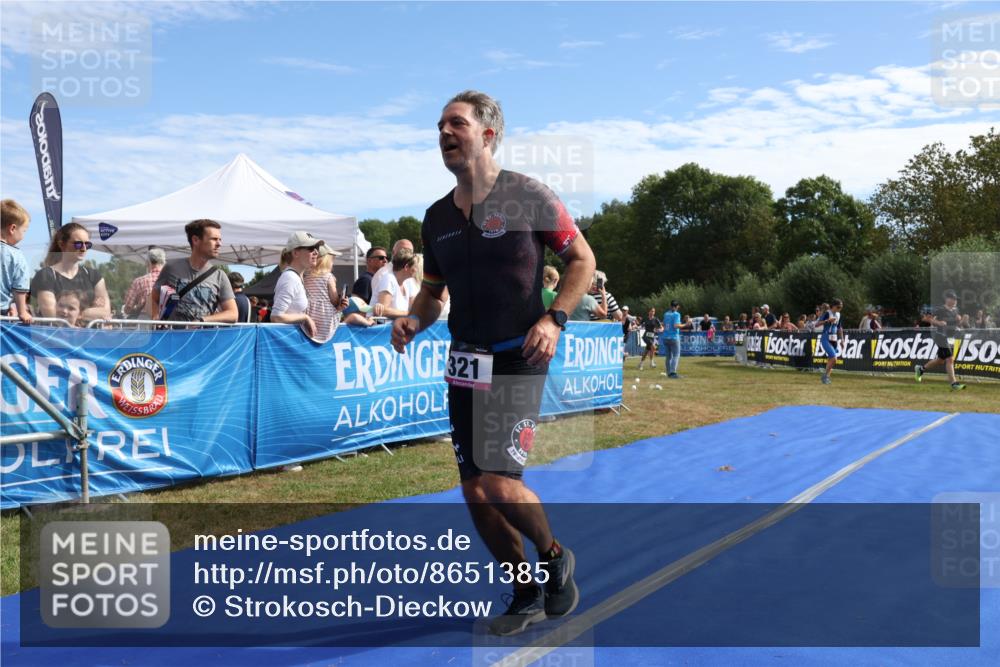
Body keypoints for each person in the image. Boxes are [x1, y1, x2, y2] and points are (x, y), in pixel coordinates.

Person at [390, 90, 591, 636]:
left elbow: (582, 260)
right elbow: (433, 292)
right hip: (464, 362)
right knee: (475, 490)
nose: (444, 133)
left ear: (488, 134)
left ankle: (553, 558)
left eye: (456, 123)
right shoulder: (436, 217)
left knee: (500, 482)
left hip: (518, 356)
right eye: (439, 126)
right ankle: (524, 591)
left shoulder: (528, 195)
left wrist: (554, 320)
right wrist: (414, 318)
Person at [151, 219, 237, 323]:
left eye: (220, 239)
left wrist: (203, 320)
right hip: (173, 337)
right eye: (214, 239)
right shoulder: (171, 268)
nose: (219, 244)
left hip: (203, 337)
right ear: (195, 240)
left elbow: (233, 314)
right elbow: (154, 297)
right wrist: (155, 316)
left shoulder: (220, 276)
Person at [31, 222, 111, 325]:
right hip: (57, 339)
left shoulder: (94, 276)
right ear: (62, 244)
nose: (83, 248)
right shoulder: (46, 275)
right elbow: (53, 316)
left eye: (87, 244)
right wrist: (90, 311)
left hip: (88, 338)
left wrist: (76, 314)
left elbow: (105, 312)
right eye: (78, 244)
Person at [271, 231, 325, 339]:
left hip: (293, 341)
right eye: (310, 248)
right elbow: (276, 316)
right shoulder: (290, 278)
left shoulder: (296, 277)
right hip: (287, 343)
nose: (316, 252)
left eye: (316, 248)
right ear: (295, 253)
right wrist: (305, 318)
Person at [915, 289, 966, 391]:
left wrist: (961, 321)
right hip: (940, 336)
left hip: (950, 338)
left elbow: (956, 325)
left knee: (940, 360)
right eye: (953, 299)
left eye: (956, 299)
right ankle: (954, 384)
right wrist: (938, 323)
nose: (955, 301)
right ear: (947, 299)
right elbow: (925, 319)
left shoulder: (956, 310)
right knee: (950, 359)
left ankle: (920, 369)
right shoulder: (940, 309)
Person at [304, 246, 350, 342]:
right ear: (327, 261)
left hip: (309, 317)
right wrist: (340, 301)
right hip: (325, 318)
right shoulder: (328, 277)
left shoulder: (305, 276)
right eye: (332, 260)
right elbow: (334, 301)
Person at [1, 199, 33, 324]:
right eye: (24, 230)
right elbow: (20, 287)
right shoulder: (16, 255)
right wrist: (22, 311)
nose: (24, 235)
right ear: (12, 228)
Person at [371, 248, 418, 319]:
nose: (417, 269)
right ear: (406, 267)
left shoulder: (408, 282)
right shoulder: (388, 279)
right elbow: (383, 311)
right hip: (377, 327)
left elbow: (415, 308)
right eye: (415, 266)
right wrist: (409, 313)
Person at [122, 248, 166, 319]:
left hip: (146, 322)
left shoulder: (139, 281)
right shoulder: (172, 280)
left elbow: (127, 308)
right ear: (164, 262)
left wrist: (137, 307)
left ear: (148, 262)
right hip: (168, 323)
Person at [813, 298, 845, 385]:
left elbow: (839, 328)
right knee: (834, 358)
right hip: (826, 337)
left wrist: (842, 339)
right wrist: (827, 320)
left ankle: (826, 378)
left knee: (831, 359)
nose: (839, 309)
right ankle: (825, 376)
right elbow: (817, 324)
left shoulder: (838, 315)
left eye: (841, 307)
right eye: (838, 307)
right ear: (833, 306)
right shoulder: (827, 313)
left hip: (834, 339)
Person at [661, 300, 682, 377]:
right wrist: (686, 324)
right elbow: (676, 325)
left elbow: (663, 324)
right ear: (676, 307)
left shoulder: (666, 314)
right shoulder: (677, 314)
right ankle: (673, 373)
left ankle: (668, 373)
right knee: (676, 355)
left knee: (668, 357)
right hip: (673, 337)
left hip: (665, 337)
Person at [638, 306, 663, 371]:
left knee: (646, 351)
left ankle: (641, 364)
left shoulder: (656, 319)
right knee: (653, 347)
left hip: (652, 337)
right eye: (651, 311)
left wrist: (659, 329)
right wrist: (636, 325)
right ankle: (651, 363)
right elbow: (639, 324)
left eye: (654, 311)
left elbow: (661, 327)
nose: (652, 312)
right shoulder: (645, 318)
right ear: (648, 312)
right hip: (645, 336)